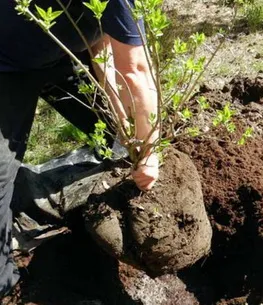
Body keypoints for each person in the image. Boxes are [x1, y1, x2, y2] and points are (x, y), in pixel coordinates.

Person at [0, 0, 159, 297]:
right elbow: (136, 70)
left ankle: (107, 204)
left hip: (63, 51)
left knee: (121, 135)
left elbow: (102, 45)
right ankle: (5, 286)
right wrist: (149, 154)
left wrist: (128, 130)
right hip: (8, 64)